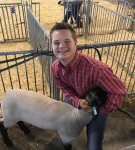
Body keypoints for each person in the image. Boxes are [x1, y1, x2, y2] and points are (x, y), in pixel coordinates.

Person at [50, 22, 127, 150]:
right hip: (77, 97)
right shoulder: (55, 67)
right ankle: (69, 135)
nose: (62, 46)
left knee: (94, 147)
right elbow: (64, 88)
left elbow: (119, 91)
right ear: (51, 45)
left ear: (76, 43)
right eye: (56, 42)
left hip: (98, 104)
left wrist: (101, 110)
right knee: (64, 119)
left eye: (67, 41)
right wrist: (77, 101)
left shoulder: (97, 69)